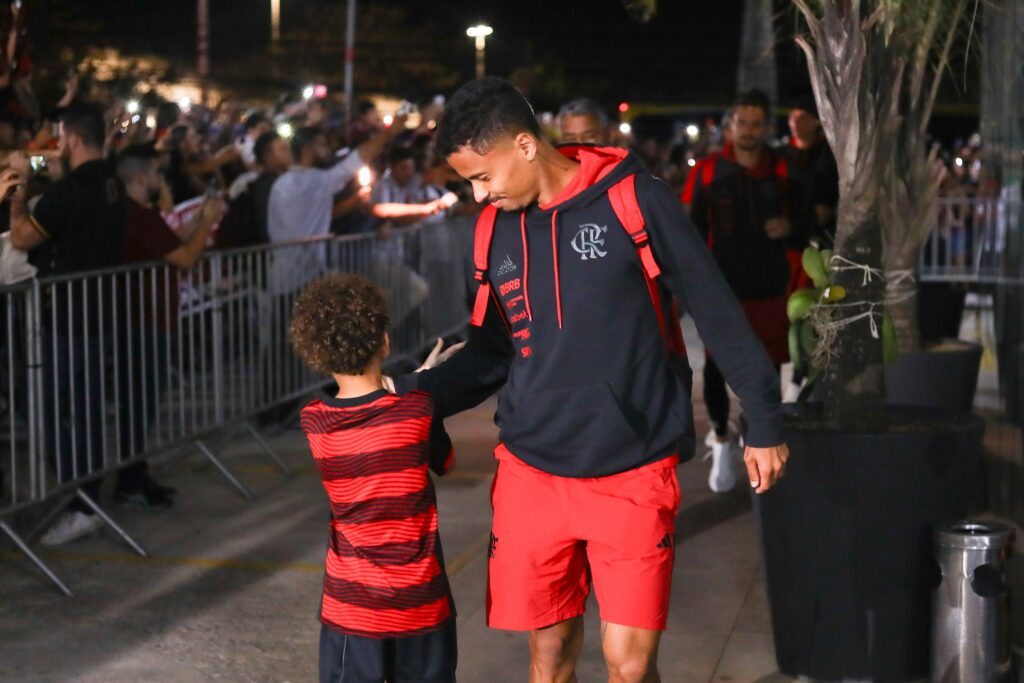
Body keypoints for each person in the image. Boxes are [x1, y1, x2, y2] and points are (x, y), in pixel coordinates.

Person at [394, 77, 787, 683]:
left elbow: (714, 308)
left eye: (482, 176)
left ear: (525, 145)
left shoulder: (634, 199)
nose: (479, 195)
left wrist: (762, 416)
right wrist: (415, 398)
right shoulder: (494, 230)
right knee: (548, 660)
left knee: (629, 667)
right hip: (532, 468)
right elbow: (494, 350)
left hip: (631, 466)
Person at [289, 273, 457, 683]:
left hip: (354, 607)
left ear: (318, 355)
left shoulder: (315, 421)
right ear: (384, 341)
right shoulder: (417, 409)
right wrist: (421, 380)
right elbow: (446, 461)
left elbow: (367, 410)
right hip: (421, 602)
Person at [8, 104, 137, 544]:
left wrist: (19, 198)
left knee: (42, 408)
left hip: (63, 318)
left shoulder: (68, 192)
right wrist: (34, 162)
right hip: (100, 313)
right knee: (85, 412)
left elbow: (24, 237)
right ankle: (89, 498)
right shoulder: (112, 181)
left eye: (61, 137)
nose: (56, 145)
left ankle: (77, 499)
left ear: (73, 138)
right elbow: (56, 164)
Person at [682, 89, 808, 494]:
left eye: (756, 123)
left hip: (771, 288)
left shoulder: (784, 170)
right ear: (730, 126)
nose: (749, 130)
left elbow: (806, 221)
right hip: (723, 292)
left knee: (766, 370)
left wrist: (789, 228)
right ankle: (721, 439)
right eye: (742, 123)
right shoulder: (706, 171)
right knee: (717, 369)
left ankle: (759, 444)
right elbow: (691, 232)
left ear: (766, 127)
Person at [113, 143, 225, 508]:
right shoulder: (137, 216)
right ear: (142, 177)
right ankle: (129, 481)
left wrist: (198, 219)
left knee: (143, 402)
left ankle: (136, 476)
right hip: (143, 320)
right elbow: (186, 257)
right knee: (141, 402)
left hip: (149, 317)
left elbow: (170, 238)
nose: (161, 181)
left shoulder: (136, 214)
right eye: (156, 174)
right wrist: (207, 221)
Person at [780, 96, 838, 249]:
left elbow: (824, 209)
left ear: (817, 121)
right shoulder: (781, 156)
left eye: (802, 117)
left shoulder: (829, 157)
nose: (795, 122)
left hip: (819, 240)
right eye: (792, 117)